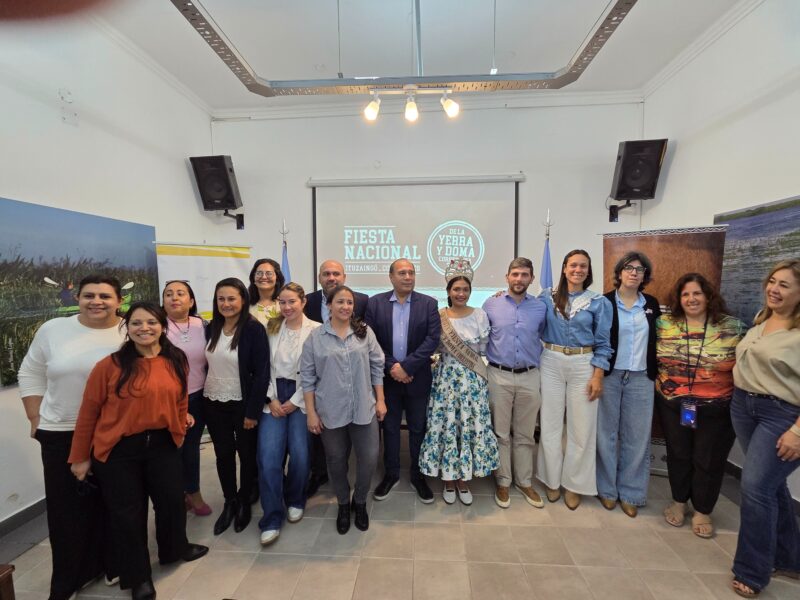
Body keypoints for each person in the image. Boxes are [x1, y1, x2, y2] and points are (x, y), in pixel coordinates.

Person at [68, 302, 208, 600]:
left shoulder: (175, 358)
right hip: (119, 450)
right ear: (127, 328)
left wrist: (179, 429)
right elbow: (88, 413)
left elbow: (181, 398)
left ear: (162, 326)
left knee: (171, 502)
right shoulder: (110, 366)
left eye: (151, 323)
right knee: (128, 515)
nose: (144, 328)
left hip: (163, 444)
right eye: (136, 323)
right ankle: (138, 576)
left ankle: (174, 549)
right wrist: (80, 457)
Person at [18, 274, 126, 600]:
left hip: (112, 433)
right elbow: (31, 372)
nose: (96, 301)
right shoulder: (54, 329)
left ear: (118, 301)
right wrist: (35, 416)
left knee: (114, 504)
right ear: (76, 298)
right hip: (61, 431)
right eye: (89, 295)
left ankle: (112, 563)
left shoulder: (129, 330)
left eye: (105, 296)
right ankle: (67, 579)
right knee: (66, 511)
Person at [730, 259, 800, 598]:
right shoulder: (763, 319)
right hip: (745, 406)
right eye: (772, 281)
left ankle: (752, 571)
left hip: (782, 415)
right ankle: (789, 558)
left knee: (756, 487)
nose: (774, 289)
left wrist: (798, 431)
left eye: (784, 285)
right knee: (771, 487)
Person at [655, 273, 745, 539]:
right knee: (679, 453)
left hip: (717, 408)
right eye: (685, 294)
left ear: (708, 296)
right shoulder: (664, 324)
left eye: (697, 293)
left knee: (708, 458)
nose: (691, 299)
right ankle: (679, 501)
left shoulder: (733, 327)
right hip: (674, 405)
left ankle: (703, 509)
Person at [301, 285, 387, 534]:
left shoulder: (364, 332)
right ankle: (342, 503)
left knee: (369, 458)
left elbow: (376, 366)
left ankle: (359, 502)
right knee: (336, 461)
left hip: (364, 408)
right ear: (329, 305)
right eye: (340, 302)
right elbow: (307, 378)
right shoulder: (316, 337)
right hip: (330, 411)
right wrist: (312, 413)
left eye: (349, 302)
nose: (345, 307)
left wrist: (380, 400)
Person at [537, 249, 613, 510]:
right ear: (564, 268)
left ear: (588, 271)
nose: (577, 270)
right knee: (550, 424)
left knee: (582, 428)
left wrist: (598, 374)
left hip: (584, 363)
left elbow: (604, 342)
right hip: (551, 361)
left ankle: (575, 484)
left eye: (583, 266)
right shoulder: (546, 298)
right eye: (573, 265)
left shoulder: (599, 302)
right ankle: (551, 480)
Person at [419, 259, 499, 505]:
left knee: (467, 426)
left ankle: (463, 479)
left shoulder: (480, 315)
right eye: (456, 289)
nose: (461, 293)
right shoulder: (439, 315)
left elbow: (484, 350)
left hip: (471, 381)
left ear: (470, 291)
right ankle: (448, 479)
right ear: (449, 291)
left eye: (465, 289)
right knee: (446, 425)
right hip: (444, 379)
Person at [365, 259, 441, 503]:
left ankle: (418, 475)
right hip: (386, 380)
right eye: (402, 273)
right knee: (390, 428)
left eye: (411, 272)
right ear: (391, 277)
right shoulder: (375, 303)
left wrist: (406, 366)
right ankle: (391, 474)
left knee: (419, 427)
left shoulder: (428, 303)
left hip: (417, 377)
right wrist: (393, 367)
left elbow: (432, 339)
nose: (408, 276)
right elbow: (371, 340)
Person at [596, 252, 661, 517]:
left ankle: (632, 493)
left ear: (645, 276)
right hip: (610, 375)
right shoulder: (605, 302)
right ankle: (607, 490)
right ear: (619, 272)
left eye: (640, 269)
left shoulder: (652, 305)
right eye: (629, 268)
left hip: (641, 377)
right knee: (606, 434)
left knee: (637, 437)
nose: (634, 273)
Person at [204, 277, 269, 535]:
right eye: (221, 299)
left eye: (232, 298)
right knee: (223, 456)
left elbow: (262, 373)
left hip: (243, 404)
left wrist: (253, 412)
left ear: (243, 300)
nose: (226, 303)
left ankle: (244, 501)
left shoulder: (253, 329)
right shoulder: (211, 327)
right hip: (213, 401)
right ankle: (229, 501)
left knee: (247, 455)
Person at [257, 283, 320, 546]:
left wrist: (294, 401)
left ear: (303, 302)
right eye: (282, 302)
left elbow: (316, 370)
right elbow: (263, 367)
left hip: (303, 396)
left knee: (301, 454)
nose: (287, 307)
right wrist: (271, 398)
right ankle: (271, 516)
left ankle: (295, 499)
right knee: (269, 457)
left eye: (292, 301)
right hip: (273, 393)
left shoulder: (316, 330)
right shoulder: (271, 327)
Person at [482, 257, 547, 509]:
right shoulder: (491, 304)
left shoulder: (541, 307)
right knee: (500, 432)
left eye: (524, 275)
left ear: (531, 278)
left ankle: (524, 481)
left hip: (530, 375)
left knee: (525, 433)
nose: (519, 279)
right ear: (507, 277)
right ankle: (503, 480)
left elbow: (544, 334)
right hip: (498, 375)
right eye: (515, 274)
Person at [303, 259, 369, 497]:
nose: (331, 278)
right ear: (319, 277)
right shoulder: (306, 301)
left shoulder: (361, 300)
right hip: (317, 377)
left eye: (336, 274)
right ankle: (320, 474)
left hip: (349, 378)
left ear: (344, 277)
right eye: (326, 274)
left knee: (350, 442)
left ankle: (345, 481)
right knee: (321, 436)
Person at [162, 280, 211, 516]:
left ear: (191, 301)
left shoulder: (203, 325)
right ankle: (176, 496)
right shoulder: (157, 327)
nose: (175, 298)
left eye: (181, 293)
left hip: (200, 395)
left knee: (191, 448)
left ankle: (193, 492)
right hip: (169, 399)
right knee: (172, 450)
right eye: (169, 294)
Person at [247, 258, 285, 327]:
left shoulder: (285, 304)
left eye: (269, 273)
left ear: (277, 279)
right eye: (259, 273)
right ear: (253, 278)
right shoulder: (245, 306)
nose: (264, 277)